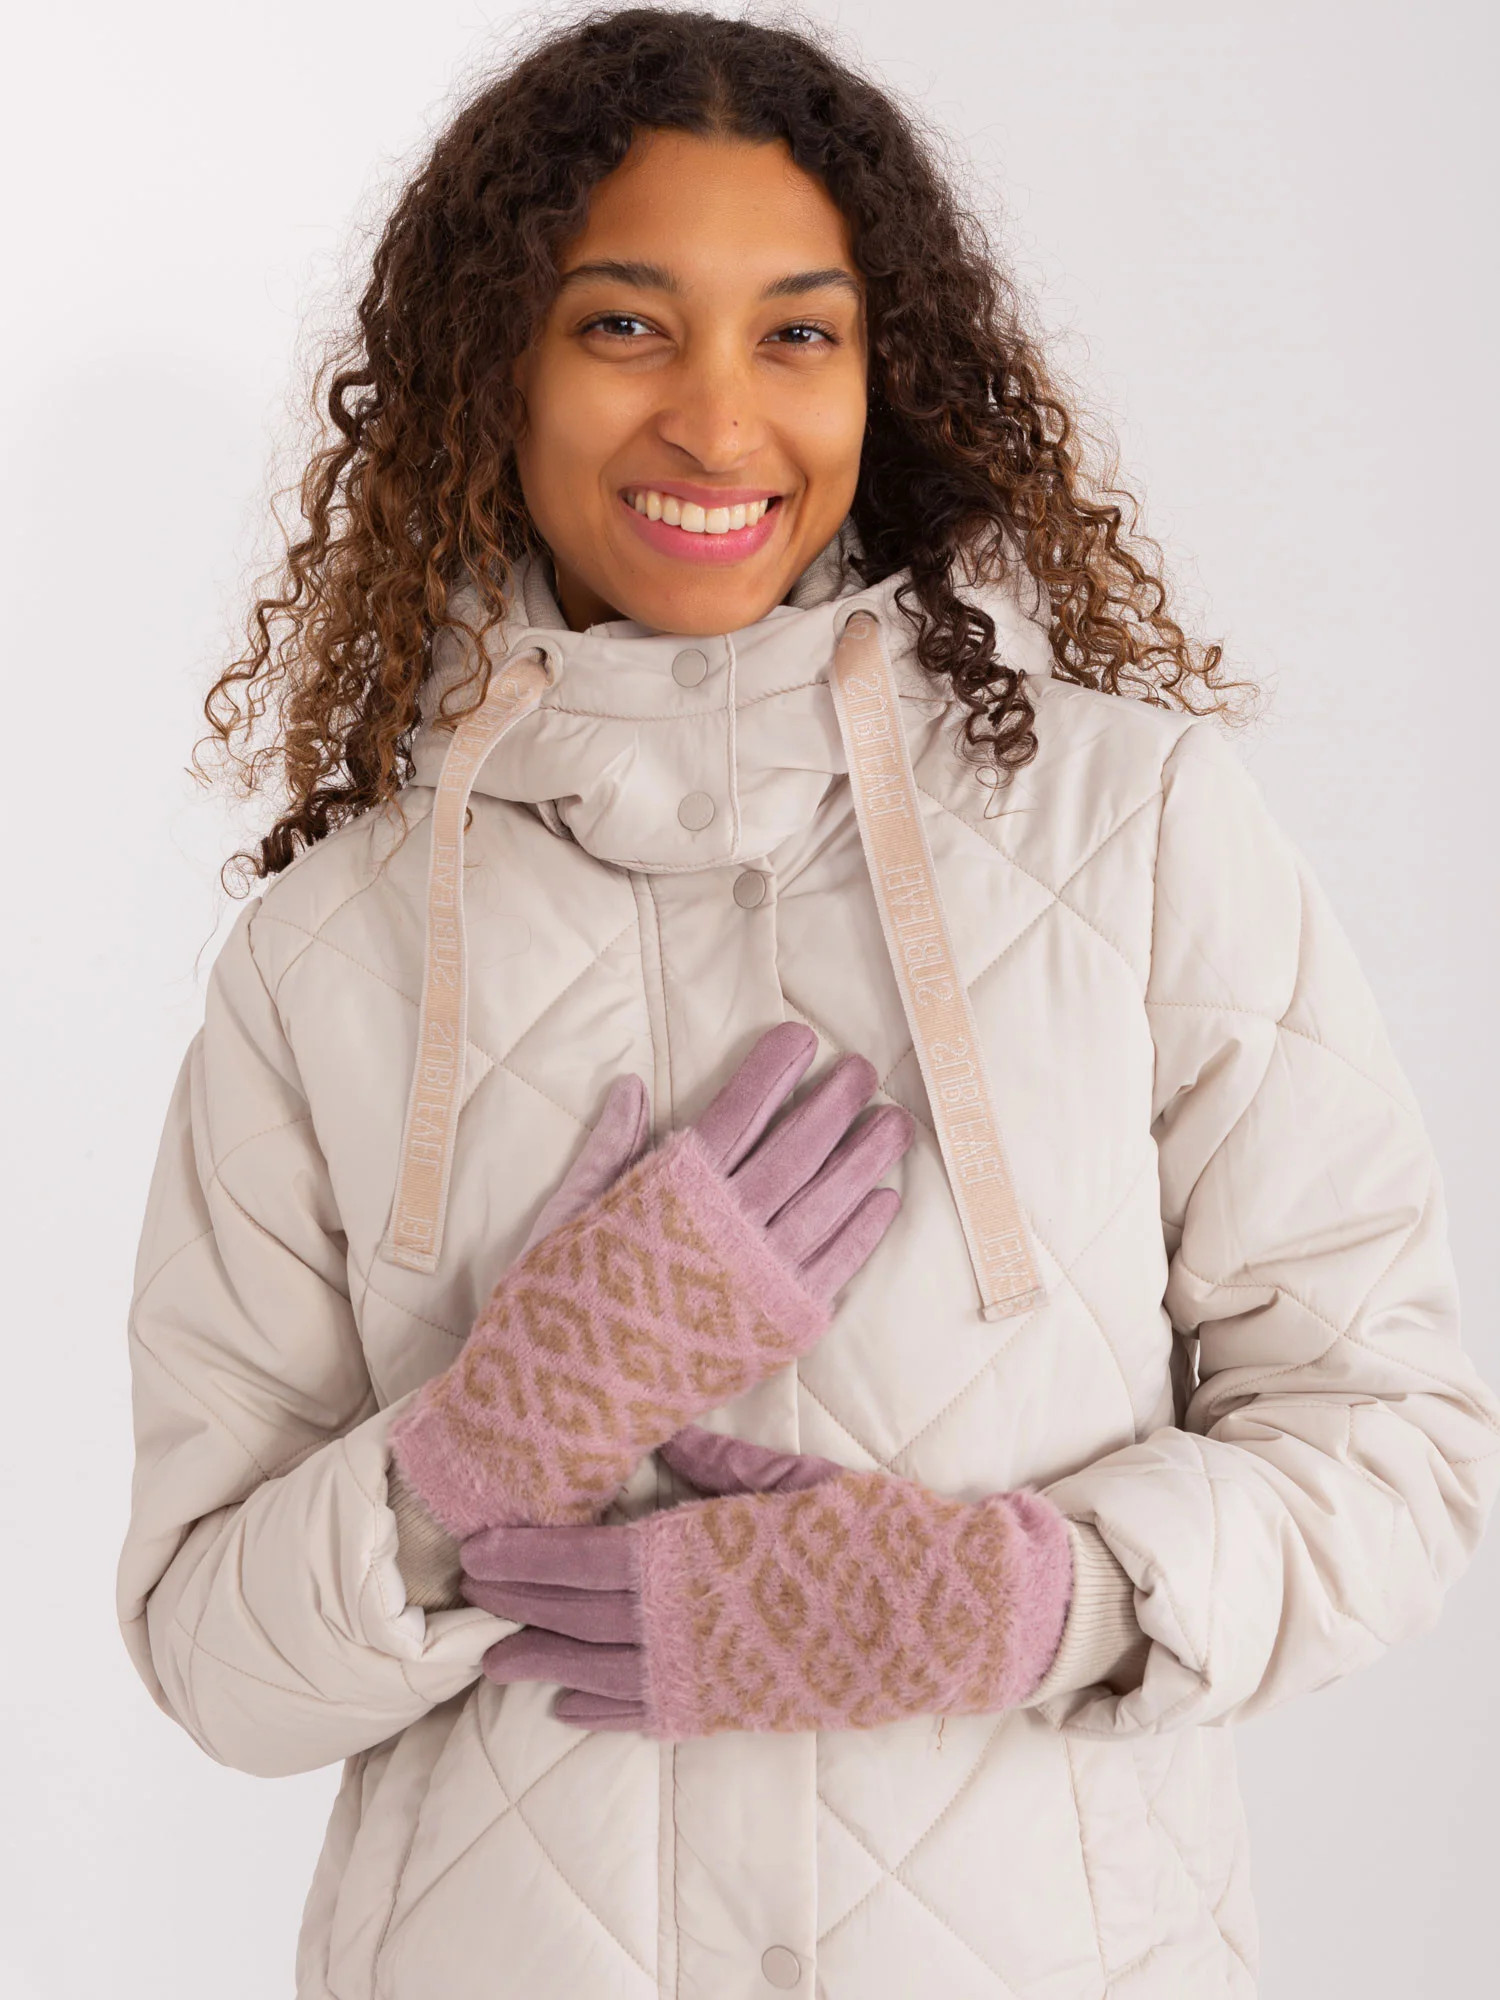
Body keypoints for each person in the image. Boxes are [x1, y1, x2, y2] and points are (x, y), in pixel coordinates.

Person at [115, 9, 1500, 1998]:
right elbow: (210, 1658)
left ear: (882, 372)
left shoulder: (1135, 834)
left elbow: (1396, 1445)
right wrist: (489, 1440)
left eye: (797, 333)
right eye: (622, 324)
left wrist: (1026, 1600)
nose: (716, 419)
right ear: (495, 362)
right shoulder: (326, 952)